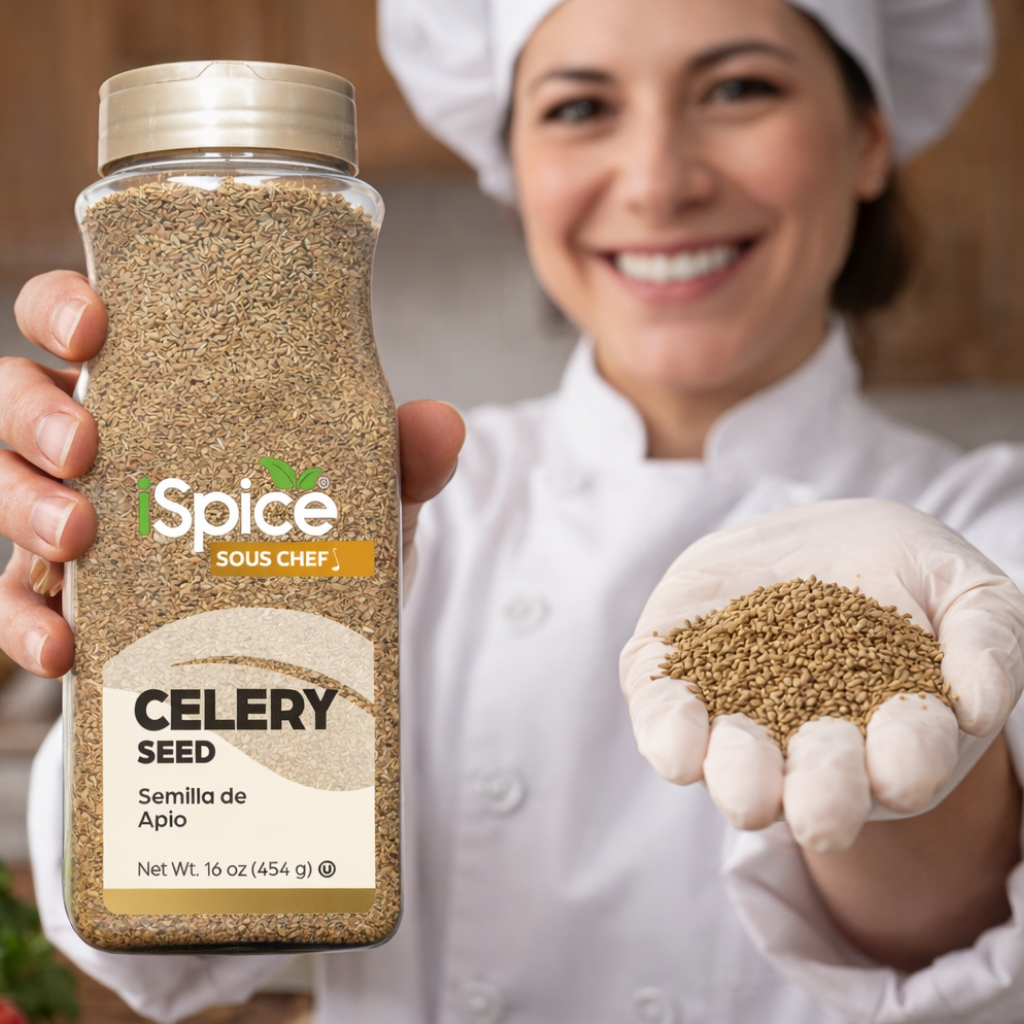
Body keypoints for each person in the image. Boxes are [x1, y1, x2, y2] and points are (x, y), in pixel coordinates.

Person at [4, 0, 1024, 1020]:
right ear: (512, 165)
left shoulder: (982, 537)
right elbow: (161, 947)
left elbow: (962, 939)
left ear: (867, 136)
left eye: (738, 88)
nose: (658, 180)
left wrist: (930, 770)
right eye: (580, 107)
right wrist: (149, 591)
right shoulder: (391, 493)